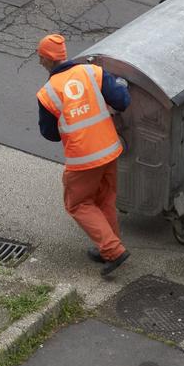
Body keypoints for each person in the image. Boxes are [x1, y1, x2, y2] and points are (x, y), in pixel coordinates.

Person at [35, 34, 132, 276]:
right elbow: (122, 101)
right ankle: (108, 246)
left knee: (77, 203)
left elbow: (49, 134)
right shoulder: (92, 73)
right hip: (110, 148)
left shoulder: (48, 93)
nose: (39, 63)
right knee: (104, 200)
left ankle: (112, 250)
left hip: (83, 158)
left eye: (40, 58)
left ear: (47, 60)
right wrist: (120, 84)